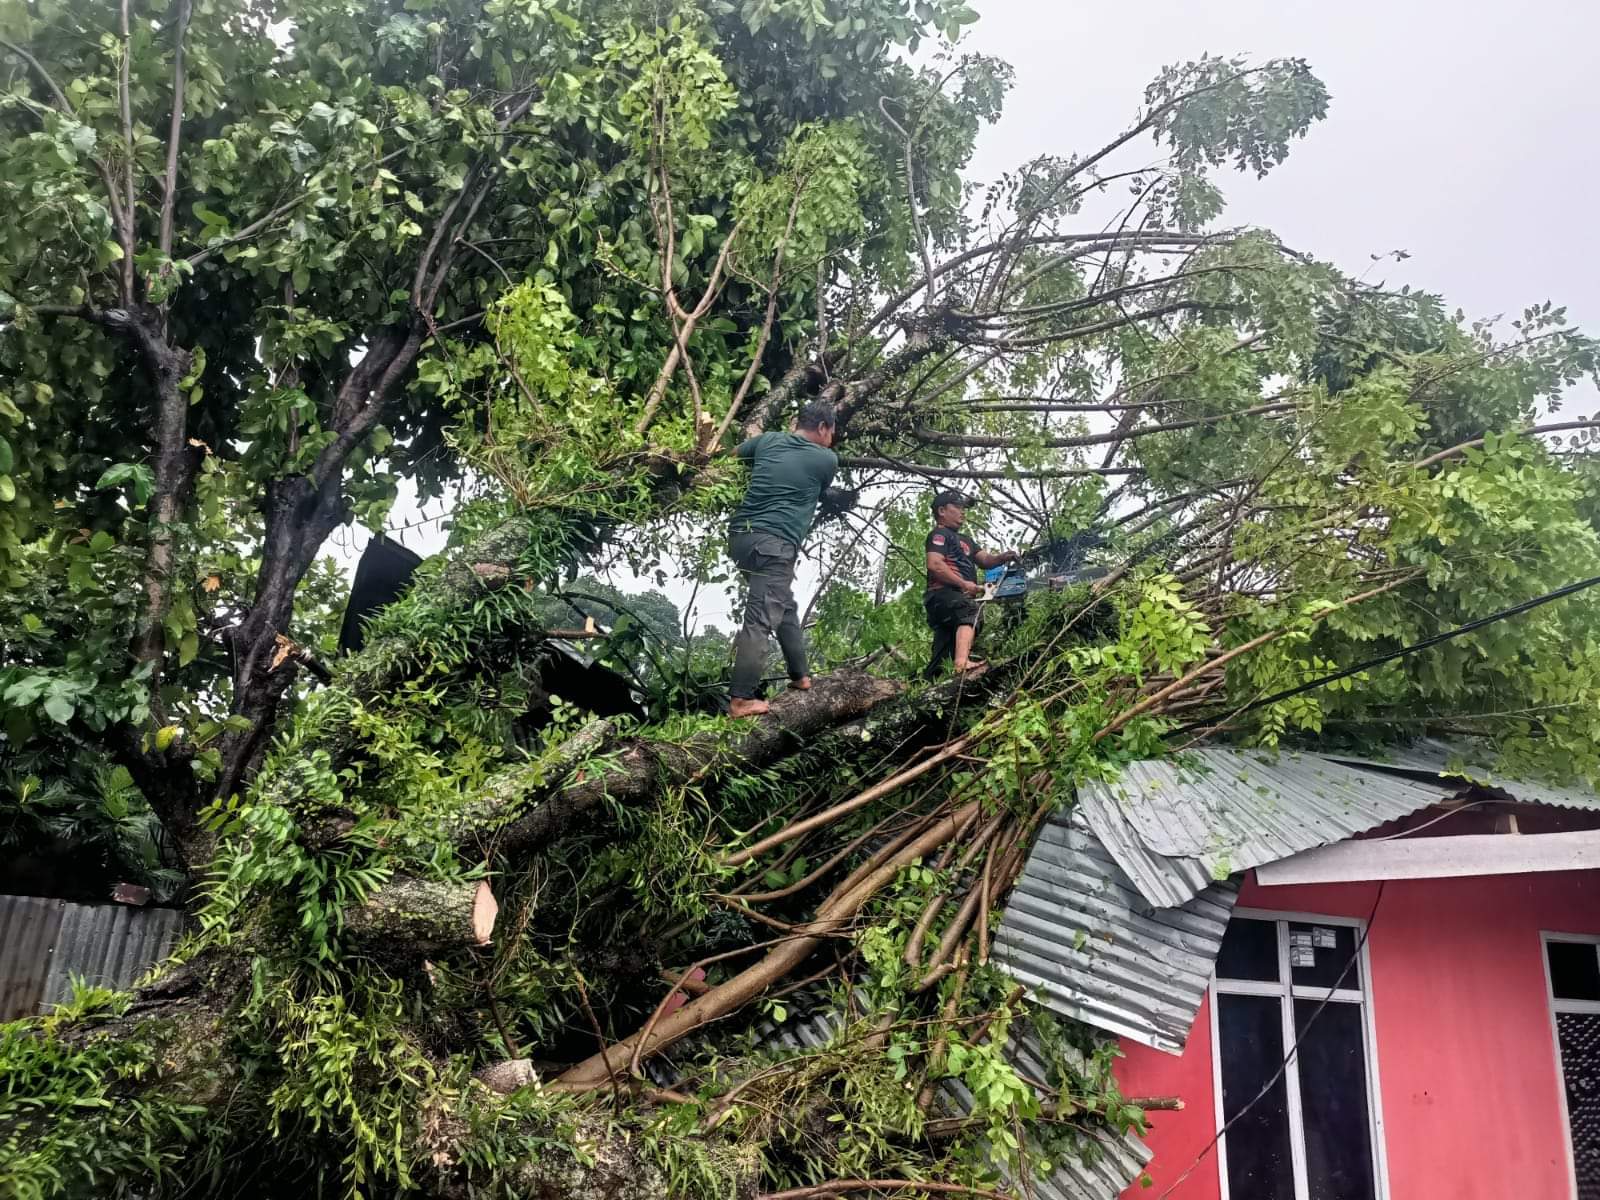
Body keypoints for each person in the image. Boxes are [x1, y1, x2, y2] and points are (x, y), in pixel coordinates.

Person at [726, 401, 839, 718]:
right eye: (832, 432)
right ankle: (740, 699)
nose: (832, 439)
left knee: (783, 605)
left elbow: (731, 457)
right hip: (774, 545)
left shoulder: (768, 441)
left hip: (741, 538)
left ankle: (800, 675)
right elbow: (819, 489)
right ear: (822, 428)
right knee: (761, 617)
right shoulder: (826, 460)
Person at [923, 491, 1016, 678]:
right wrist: (964, 584)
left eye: (963, 508)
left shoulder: (966, 540)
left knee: (944, 649)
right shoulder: (939, 534)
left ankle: (928, 681)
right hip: (943, 595)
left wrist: (1003, 557)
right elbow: (934, 564)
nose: (962, 511)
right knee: (971, 611)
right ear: (942, 511)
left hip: (954, 602)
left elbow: (986, 560)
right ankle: (962, 663)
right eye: (957, 507)